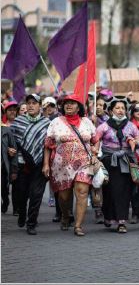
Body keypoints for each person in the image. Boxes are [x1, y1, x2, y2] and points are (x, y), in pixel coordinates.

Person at [43, 94, 96, 236]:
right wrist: (46, 164)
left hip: (84, 163)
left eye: (72, 103)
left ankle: (78, 226)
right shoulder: (56, 122)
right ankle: (65, 216)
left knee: (82, 192)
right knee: (64, 197)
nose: (69, 105)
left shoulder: (87, 122)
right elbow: (48, 144)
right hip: (61, 167)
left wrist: (95, 151)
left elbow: (95, 140)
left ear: (79, 107)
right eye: (66, 103)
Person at [94, 96, 139, 234]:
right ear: (110, 110)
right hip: (109, 161)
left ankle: (122, 221)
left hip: (126, 161)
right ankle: (109, 217)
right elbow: (95, 141)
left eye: (123, 108)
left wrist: (135, 141)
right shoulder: (103, 126)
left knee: (124, 192)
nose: (120, 110)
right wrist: (94, 151)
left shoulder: (131, 125)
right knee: (109, 191)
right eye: (117, 108)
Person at [10, 94, 51, 235]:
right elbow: (11, 142)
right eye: (29, 103)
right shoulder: (18, 122)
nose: (31, 105)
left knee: (36, 194)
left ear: (40, 105)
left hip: (40, 164)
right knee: (22, 194)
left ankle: (31, 223)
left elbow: (49, 144)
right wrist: (10, 148)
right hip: (22, 164)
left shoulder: (46, 123)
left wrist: (46, 163)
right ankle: (22, 214)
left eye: (34, 103)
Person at [1, 109, 17, 214]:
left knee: (3, 188)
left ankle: (5, 200)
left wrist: (14, 169)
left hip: (2, 165)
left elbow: (13, 149)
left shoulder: (6, 130)